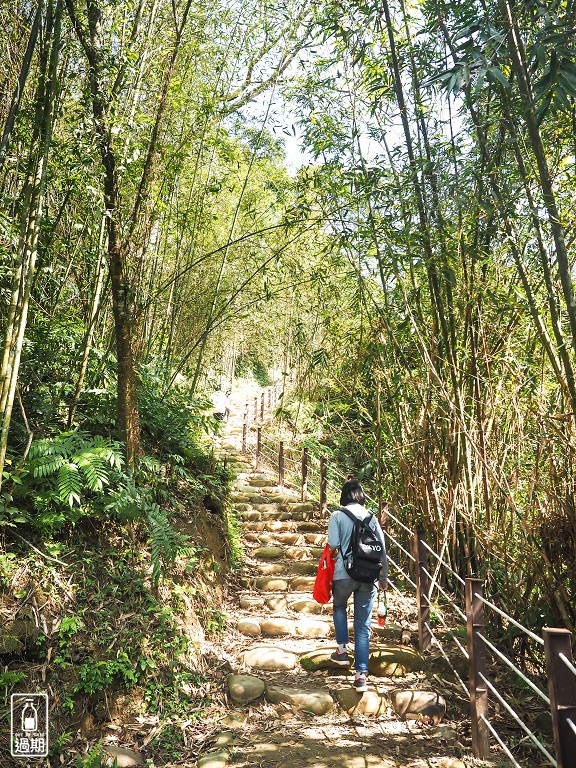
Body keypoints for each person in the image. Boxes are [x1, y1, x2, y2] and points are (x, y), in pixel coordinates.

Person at [327, 478, 387, 693]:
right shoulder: (372, 517)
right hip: (368, 576)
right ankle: (361, 676)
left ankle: (342, 652)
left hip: (343, 573)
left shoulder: (337, 515)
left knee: (339, 607)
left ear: (344, 496)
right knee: (363, 625)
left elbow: (333, 544)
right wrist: (383, 577)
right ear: (361, 496)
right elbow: (382, 548)